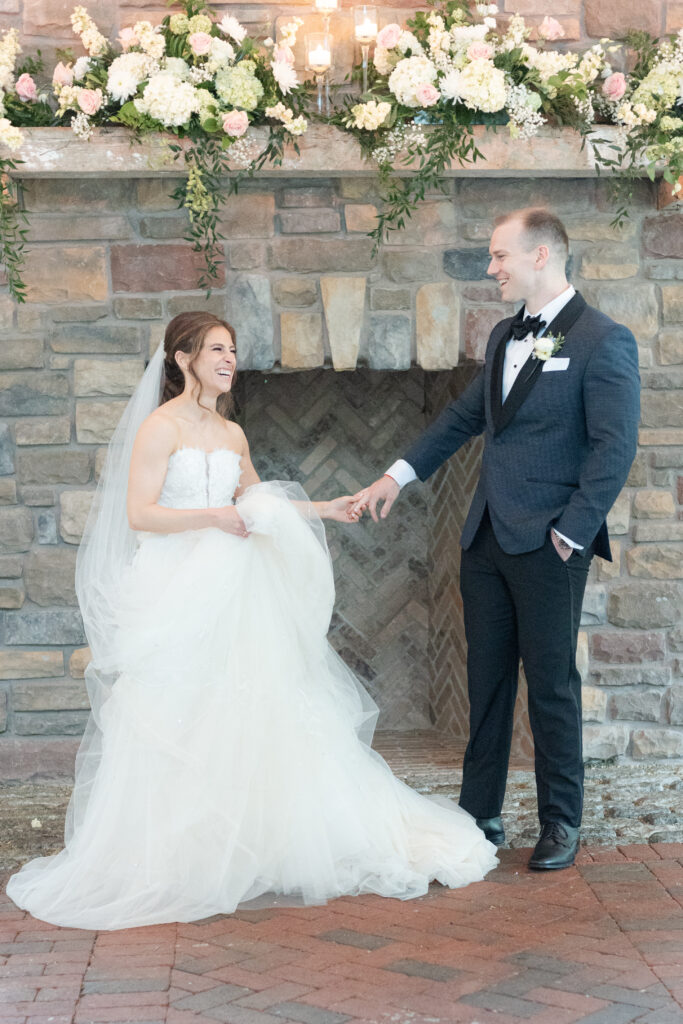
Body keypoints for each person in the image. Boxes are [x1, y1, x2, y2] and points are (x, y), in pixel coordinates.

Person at [7, 311, 497, 930]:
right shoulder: (160, 428)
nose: (228, 359)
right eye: (216, 349)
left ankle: (254, 841)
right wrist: (211, 519)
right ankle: (178, 855)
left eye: (233, 350)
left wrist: (329, 507)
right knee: (175, 718)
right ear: (183, 358)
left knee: (252, 711)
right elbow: (140, 514)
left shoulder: (231, 433)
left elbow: (260, 504)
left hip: (232, 589)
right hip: (176, 591)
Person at [352, 208, 640, 872]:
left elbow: (612, 447)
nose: (491, 268)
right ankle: (478, 814)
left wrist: (570, 532)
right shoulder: (503, 337)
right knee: (485, 685)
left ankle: (560, 819)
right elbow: (462, 418)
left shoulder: (602, 340)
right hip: (484, 538)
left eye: (498, 255)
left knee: (550, 686)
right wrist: (397, 474)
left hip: (548, 544)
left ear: (540, 256)